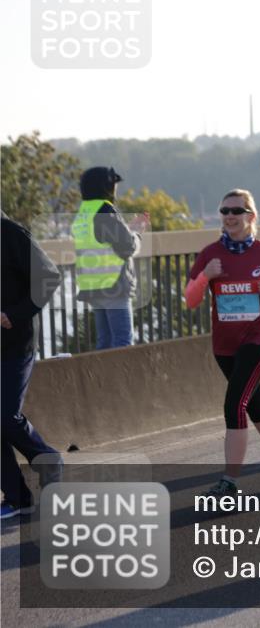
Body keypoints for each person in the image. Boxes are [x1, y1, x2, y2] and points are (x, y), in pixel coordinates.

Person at [184, 189, 260, 497]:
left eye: (236, 211)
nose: (230, 216)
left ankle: (229, 483)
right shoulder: (209, 255)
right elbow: (191, 299)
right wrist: (206, 276)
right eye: (225, 211)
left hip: (259, 338)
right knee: (255, 403)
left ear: (251, 216)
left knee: (235, 404)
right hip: (224, 344)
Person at [1, 214, 63, 519]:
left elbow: (49, 276)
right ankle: (16, 498)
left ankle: (46, 456)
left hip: (14, 344)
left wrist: (14, 314)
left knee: (4, 415)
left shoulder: (9, 232)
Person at [72, 167, 147, 349]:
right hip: (113, 286)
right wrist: (136, 232)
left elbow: (104, 240)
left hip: (93, 286)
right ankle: (120, 378)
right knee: (122, 342)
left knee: (104, 342)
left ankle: (103, 378)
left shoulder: (85, 212)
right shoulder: (105, 210)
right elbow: (127, 247)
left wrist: (125, 229)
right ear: (106, 187)